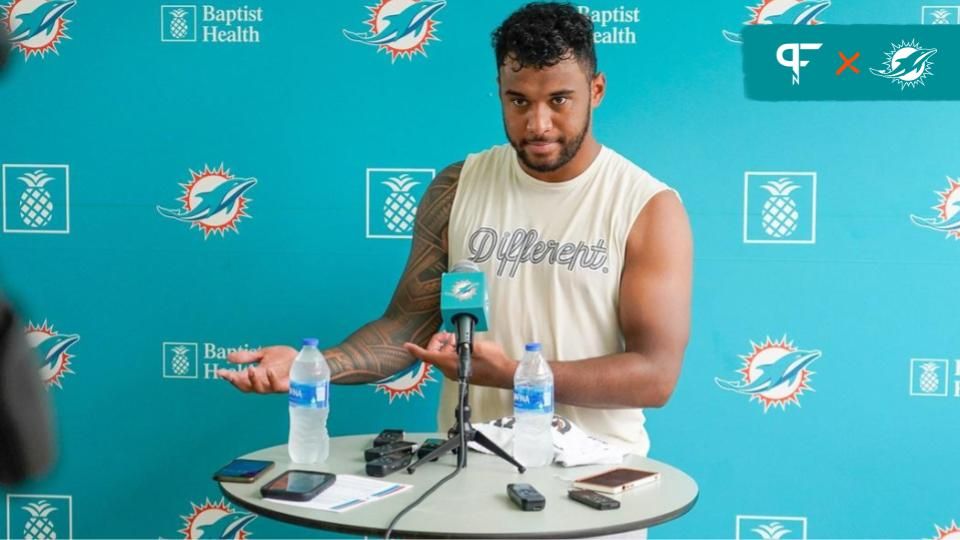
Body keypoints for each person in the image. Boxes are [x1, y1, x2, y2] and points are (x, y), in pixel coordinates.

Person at [220, 1, 692, 456]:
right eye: (519, 100)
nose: (538, 123)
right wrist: (314, 367)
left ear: (597, 89)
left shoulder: (646, 206)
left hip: (595, 483)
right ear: (500, 90)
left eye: (559, 99)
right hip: (471, 470)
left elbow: (655, 375)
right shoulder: (457, 186)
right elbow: (405, 324)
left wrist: (513, 374)